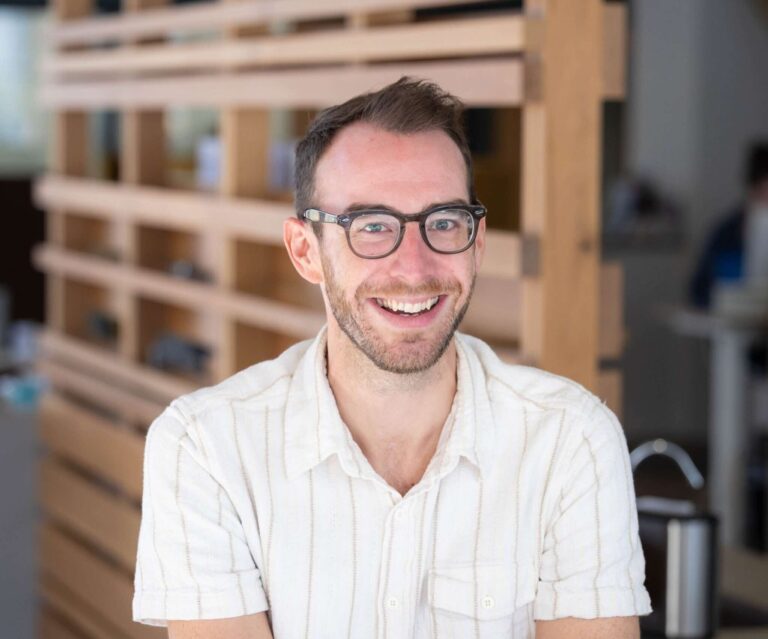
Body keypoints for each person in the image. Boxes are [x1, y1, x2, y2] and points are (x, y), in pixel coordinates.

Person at [132, 78, 651, 639]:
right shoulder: (206, 448)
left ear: (477, 244)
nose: (414, 268)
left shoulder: (571, 441)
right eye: (372, 226)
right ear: (306, 250)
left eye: (444, 222)